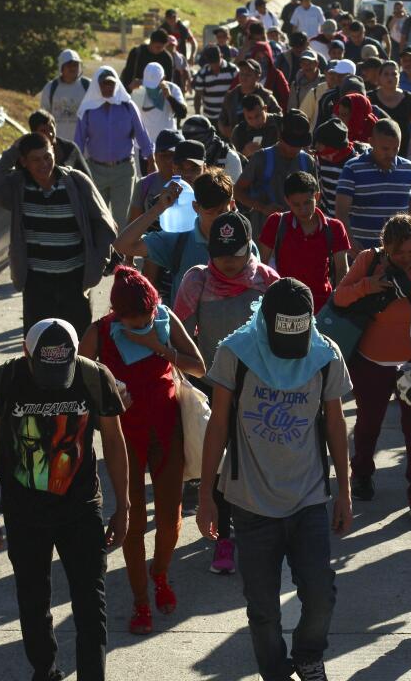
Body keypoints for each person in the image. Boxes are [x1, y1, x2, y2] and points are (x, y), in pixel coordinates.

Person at [196, 278, 353, 681]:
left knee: (321, 595)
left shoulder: (325, 354)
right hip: (250, 504)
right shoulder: (235, 352)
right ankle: (274, 672)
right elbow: (216, 425)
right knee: (262, 608)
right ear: (265, 322)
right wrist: (206, 497)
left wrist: (345, 492)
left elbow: (335, 423)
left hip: (309, 498)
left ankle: (308, 654)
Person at [0, 318, 130, 681]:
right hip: (24, 514)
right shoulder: (2, 382)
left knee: (91, 602)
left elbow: (115, 444)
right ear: (27, 353)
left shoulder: (94, 377)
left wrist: (124, 506)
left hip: (81, 508)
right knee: (33, 600)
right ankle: (45, 670)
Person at [78, 267, 204, 636]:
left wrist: (159, 347)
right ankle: (140, 600)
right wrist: (110, 396)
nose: (142, 324)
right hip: (124, 438)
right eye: (132, 322)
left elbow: (199, 366)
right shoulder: (100, 332)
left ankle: (160, 574)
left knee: (169, 521)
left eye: (146, 317)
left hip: (168, 433)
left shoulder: (165, 319)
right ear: (117, 314)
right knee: (132, 522)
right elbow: (77, 389)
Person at [174, 212, 279, 576]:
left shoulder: (267, 282)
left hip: (259, 390)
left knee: (254, 465)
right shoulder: (196, 282)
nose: (228, 262)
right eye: (221, 254)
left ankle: (258, 536)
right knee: (217, 466)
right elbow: (180, 335)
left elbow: (284, 340)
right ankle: (223, 539)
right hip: (209, 387)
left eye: (235, 254)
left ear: (248, 248)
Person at [334, 214, 411, 521]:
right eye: (400, 253)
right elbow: (339, 297)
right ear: (385, 247)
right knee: (369, 423)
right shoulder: (369, 260)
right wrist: (368, 285)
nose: (408, 258)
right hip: (371, 361)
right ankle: (362, 473)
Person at [0, 133, 115, 336]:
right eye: (35, 159)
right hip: (37, 285)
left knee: (80, 348)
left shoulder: (75, 182)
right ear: (23, 162)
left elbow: (105, 223)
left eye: (47, 157)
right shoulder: (18, 187)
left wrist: (97, 266)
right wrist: (13, 151)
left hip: (74, 283)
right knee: (38, 348)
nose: (44, 164)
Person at [114, 169, 253, 305]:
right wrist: (158, 208)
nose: (218, 219)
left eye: (222, 211)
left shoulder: (243, 242)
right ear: (196, 207)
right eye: (210, 213)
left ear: (233, 205)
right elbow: (123, 245)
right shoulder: (179, 241)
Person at [73, 66, 155, 227]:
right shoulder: (88, 110)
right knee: (99, 218)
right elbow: (79, 143)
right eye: (104, 84)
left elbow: (141, 134)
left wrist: (151, 159)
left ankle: (120, 252)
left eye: (111, 83)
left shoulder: (127, 106)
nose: (108, 87)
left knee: (122, 218)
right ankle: (104, 252)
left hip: (123, 171)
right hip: (95, 171)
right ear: (97, 85)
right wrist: (75, 169)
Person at [259, 171, 351, 313]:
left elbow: (342, 270)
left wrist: (336, 305)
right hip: (283, 304)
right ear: (287, 201)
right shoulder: (275, 223)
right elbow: (262, 265)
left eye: (308, 202)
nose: (303, 209)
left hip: (322, 306)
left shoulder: (335, 227)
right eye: (296, 204)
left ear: (317, 196)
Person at [335, 119, 411, 250]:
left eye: (395, 149)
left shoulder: (409, 168)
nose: (391, 154)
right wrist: (350, 242)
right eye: (385, 149)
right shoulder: (352, 168)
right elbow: (341, 212)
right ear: (371, 142)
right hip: (361, 251)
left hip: (400, 253)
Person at [235, 110, 319, 234]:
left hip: (299, 234)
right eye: (291, 143)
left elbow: (316, 195)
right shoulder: (261, 159)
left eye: (299, 144)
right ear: (280, 136)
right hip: (265, 232)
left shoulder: (308, 161)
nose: (295, 148)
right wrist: (263, 208)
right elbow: (237, 191)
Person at [218, 59, 281, 142]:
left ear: (258, 76)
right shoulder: (230, 96)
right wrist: (226, 131)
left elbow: (279, 117)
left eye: (248, 74)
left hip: (263, 143)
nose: (244, 77)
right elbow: (222, 119)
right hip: (238, 144)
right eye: (242, 73)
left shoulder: (266, 96)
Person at [312, 116, 363, 217]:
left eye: (320, 143)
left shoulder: (354, 163)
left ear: (332, 147)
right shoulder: (320, 159)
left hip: (348, 220)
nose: (316, 146)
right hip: (327, 218)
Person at [370, 59, 411, 153]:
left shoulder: (408, 98)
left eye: (394, 74)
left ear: (399, 76)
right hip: (375, 152)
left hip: (404, 152)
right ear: (379, 77)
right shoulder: (370, 98)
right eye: (386, 74)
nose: (390, 77)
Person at [40, 49, 91, 143]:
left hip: (84, 145)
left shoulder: (88, 86)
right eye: (69, 65)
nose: (73, 68)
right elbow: (43, 116)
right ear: (61, 67)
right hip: (58, 143)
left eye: (75, 65)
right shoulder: (51, 88)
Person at [25, 109, 92, 179]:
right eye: (43, 131)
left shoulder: (70, 149)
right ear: (34, 133)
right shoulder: (28, 152)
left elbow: (87, 178)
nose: (50, 134)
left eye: (51, 128)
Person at [133, 62, 187, 144]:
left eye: (155, 84)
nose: (151, 88)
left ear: (163, 78)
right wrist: (129, 90)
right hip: (144, 144)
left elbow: (182, 113)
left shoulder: (173, 89)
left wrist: (169, 97)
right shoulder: (139, 89)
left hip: (167, 143)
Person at [192, 46, 239, 124]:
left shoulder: (233, 70)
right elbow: (198, 96)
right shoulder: (203, 73)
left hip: (229, 117)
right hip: (210, 117)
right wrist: (198, 116)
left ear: (221, 55)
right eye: (211, 62)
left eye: (216, 61)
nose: (214, 65)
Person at [229, 94, 283, 160]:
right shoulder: (238, 131)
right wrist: (244, 153)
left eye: (257, 116)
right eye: (249, 118)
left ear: (265, 109)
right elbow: (232, 161)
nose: (254, 121)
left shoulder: (281, 124)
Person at [289, 50, 327, 127]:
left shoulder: (325, 82)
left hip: (320, 124)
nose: (307, 66)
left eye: (310, 63)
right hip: (301, 125)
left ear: (317, 63)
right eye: (304, 63)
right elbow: (291, 107)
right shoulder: (296, 84)